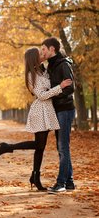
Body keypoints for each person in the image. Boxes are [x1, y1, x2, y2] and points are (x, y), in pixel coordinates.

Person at [0, 47, 72, 191]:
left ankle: (35, 177)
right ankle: (7, 147)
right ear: (34, 58)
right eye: (40, 54)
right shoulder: (31, 75)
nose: (43, 55)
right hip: (39, 111)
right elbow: (41, 95)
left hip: (47, 111)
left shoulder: (43, 70)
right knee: (38, 145)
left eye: (42, 53)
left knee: (40, 147)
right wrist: (60, 87)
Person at [41, 37, 76, 193]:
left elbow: (70, 88)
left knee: (63, 147)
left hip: (65, 109)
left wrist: (52, 94)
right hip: (58, 110)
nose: (42, 52)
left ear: (52, 49)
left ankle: (61, 183)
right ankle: (69, 182)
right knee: (61, 147)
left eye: (43, 49)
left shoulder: (63, 64)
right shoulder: (51, 66)